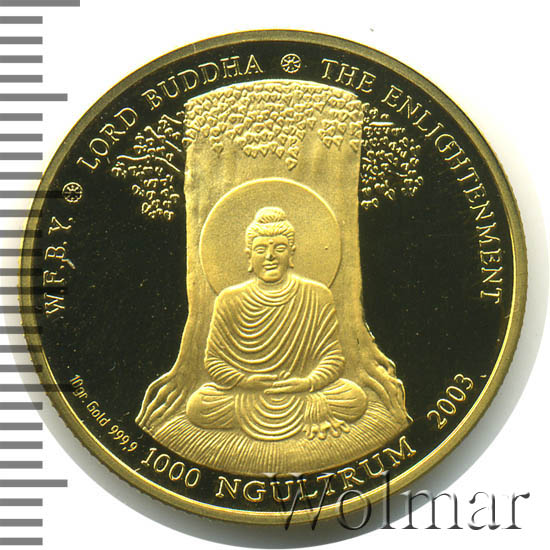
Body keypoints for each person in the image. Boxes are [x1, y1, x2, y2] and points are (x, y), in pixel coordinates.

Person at [186, 206, 368, 440]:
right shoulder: (229, 299)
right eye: (261, 249)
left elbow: (332, 358)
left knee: (354, 398)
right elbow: (214, 361)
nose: (270, 257)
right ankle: (305, 412)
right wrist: (245, 381)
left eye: (279, 248)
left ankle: (312, 406)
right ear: (249, 255)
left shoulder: (318, 295)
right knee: (199, 405)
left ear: (291, 253)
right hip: (246, 395)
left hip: (303, 392)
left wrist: (306, 383)